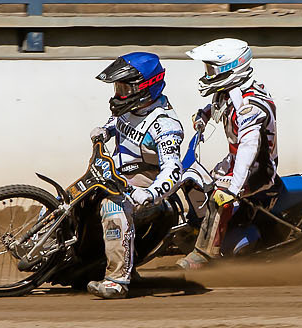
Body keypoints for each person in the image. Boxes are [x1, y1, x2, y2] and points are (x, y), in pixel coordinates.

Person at [86, 51, 188, 300]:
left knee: (113, 207)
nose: (118, 94)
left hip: (144, 185)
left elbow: (174, 170)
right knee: (72, 198)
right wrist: (106, 131)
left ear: (145, 88)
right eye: (117, 87)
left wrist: (150, 194)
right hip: (115, 175)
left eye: (124, 88)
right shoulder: (130, 107)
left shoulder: (165, 125)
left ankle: (116, 281)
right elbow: (118, 122)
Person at [180, 37, 277, 272]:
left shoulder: (249, 106)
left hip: (256, 168)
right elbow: (216, 107)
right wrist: (203, 116)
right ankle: (202, 227)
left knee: (218, 196)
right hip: (235, 161)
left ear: (231, 69)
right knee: (192, 181)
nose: (208, 73)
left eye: (212, 68)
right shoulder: (228, 93)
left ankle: (205, 253)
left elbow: (249, 147)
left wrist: (233, 188)